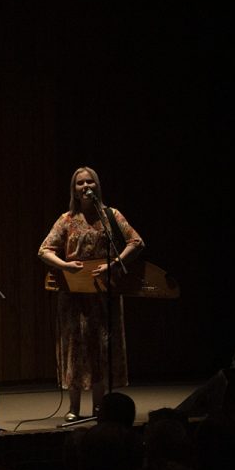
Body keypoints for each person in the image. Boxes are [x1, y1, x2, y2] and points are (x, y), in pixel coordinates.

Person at [38, 167, 144, 421]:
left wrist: (114, 263)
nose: (85, 186)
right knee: (76, 347)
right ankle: (73, 407)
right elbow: (44, 250)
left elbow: (136, 242)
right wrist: (64, 266)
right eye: (80, 183)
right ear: (74, 189)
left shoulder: (111, 216)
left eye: (90, 182)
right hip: (74, 295)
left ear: (97, 186)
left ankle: (99, 407)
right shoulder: (67, 219)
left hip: (103, 294)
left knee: (101, 347)